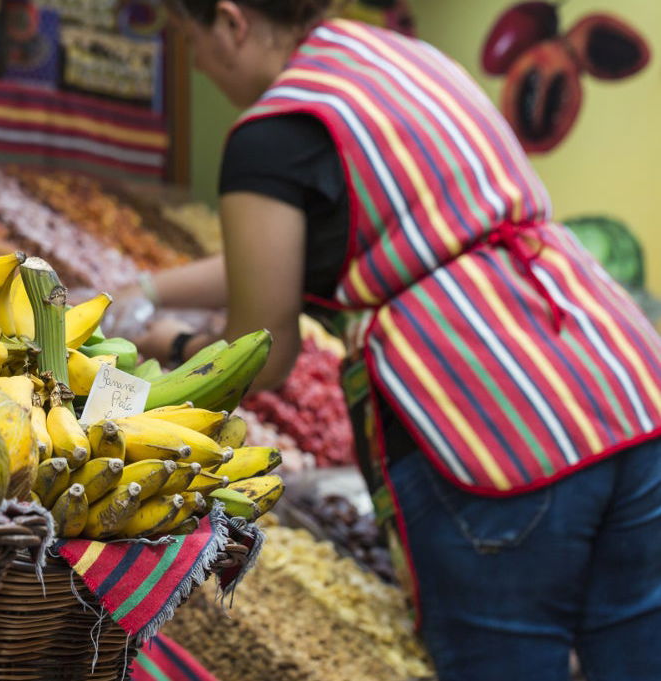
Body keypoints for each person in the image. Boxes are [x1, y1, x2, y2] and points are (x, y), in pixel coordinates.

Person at [123, 1, 661, 679]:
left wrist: (171, 343)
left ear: (231, 22)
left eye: (189, 39)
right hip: (624, 379)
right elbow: (288, 251)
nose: (196, 64)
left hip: (498, 421)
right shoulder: (401, 62)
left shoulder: (273, 130)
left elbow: (263, 354)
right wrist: (151, 286)